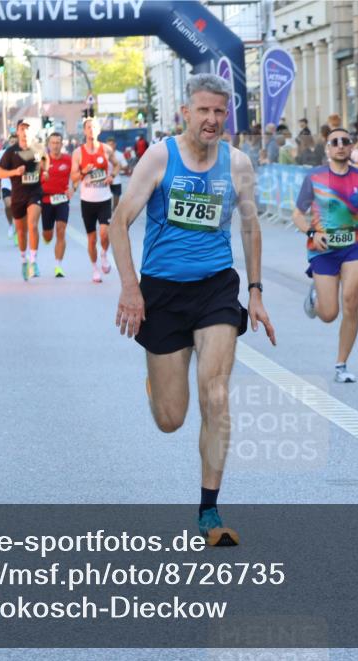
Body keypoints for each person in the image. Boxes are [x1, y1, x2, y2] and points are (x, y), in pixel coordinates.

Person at [109, 73, 276, 546]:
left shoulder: (237, 163)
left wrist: (255, 291)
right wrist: (130, 288)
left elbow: (250, 228)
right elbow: (120, 222)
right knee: (171, 419)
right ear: (186, 112)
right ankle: (158, 384)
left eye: (219, 111)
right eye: (203, 110)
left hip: (215, 289)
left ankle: (209, 510)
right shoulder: (160, 157)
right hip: (162, 292)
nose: (211, 119)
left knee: (216, 394)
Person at [293, 127, 358, 383]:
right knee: (329, 314)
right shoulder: (314, 177)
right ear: (328, 148)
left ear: (352, 146)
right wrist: (312, 233)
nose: (340, 145)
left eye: (345, 141)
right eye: (335, 142)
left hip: (354, 246)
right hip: (323, 249)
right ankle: (316, 297)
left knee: (351, 301)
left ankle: (341, 365)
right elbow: (298, 214)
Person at [71, 117, 119, 283]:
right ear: (85, 131)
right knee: (91, 239)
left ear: (99, 130)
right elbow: (73, 177)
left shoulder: (106, 149)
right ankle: (95, 268)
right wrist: (84, 171)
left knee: (104, 233)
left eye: (94, 127)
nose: (91, 130)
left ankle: (104, 254)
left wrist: (112, 176)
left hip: (104, 198)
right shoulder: (78, 153)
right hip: (87, 201)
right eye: (88, 127)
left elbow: (117, 165)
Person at [0, 120, 46, 280]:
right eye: (22, 129)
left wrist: (45, 171)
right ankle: (24, 260)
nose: (25, 132)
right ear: (17, 132)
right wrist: (15, 172)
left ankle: (34, 261)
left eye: (27, 129)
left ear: (32, 132)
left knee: (33, 225)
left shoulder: (38, 148)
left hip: (35, 193)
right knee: (22, 232)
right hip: (18, 195)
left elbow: (45, 162)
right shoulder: (11, 152)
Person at [39, 132, 74, 278]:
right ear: (48, 144)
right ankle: (46, 236)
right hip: (46, 200)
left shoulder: (68, 159)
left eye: (58, 143)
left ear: (61, 144)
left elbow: (75, 176)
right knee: (48, 236)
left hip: (62, 199)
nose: (55, 146)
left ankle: (58, 266)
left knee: (61, 230)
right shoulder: (42, 160)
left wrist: (73, 188)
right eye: (53, 143)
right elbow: (34, 179)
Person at [106, 136, 126, 211]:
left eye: (111, 144)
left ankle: (114, 211)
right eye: (108, 145)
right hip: (106, 181)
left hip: (116, 181)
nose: (109, 146)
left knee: (115, 203)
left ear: (115, 145)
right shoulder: (103, 154)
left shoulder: (119, 154)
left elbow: (125, 166)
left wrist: (117, 168)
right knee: (106, 203)